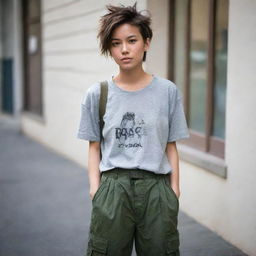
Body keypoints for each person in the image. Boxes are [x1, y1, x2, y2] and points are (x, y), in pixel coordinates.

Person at [76, 3, 190, 256]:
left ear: (146, 43)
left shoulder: (167, 92)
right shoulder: (98, 94)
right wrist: (96, 190)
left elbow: (170, 145)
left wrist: (174, 190)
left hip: (157, 188)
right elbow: (94, 147)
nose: (124, 50)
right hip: (114, 188)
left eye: (131, 40)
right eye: (116, 43)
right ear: (109, 49)